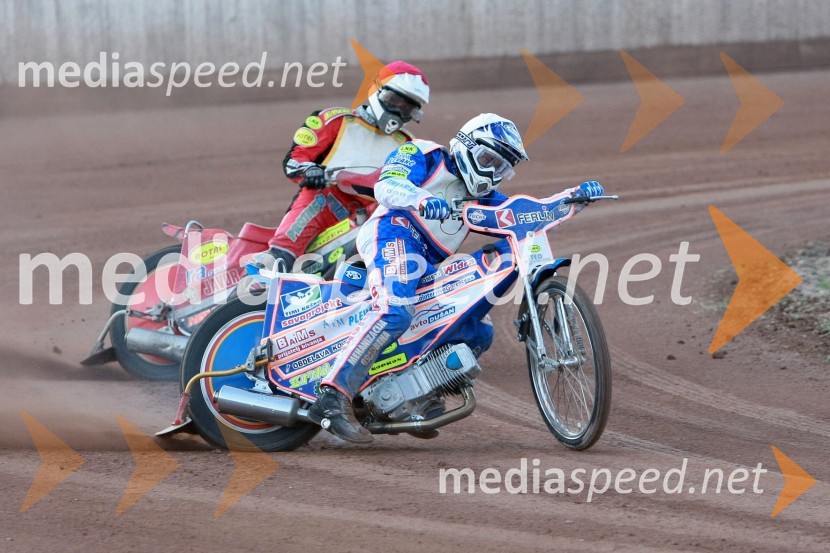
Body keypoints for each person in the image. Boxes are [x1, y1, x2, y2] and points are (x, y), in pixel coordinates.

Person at [262, 61, 430, 271]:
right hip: (327, 202)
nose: (398, 110)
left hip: (374, 213)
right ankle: (273, 263)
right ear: (377, 90)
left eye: (408, 108)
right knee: (315, 198)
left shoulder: (408, 145)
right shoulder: (337, 120)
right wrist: (311, 170)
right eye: (394, 100)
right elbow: (296, 158)